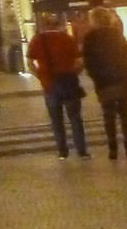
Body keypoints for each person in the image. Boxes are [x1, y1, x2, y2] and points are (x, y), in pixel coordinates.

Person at [81, 6, 127, 160]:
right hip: (122, 78)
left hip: (104, 81)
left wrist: (94, 76)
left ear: (93, 20)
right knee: (125, 114)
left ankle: (113, 149)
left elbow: (88, 61)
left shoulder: (89, 37)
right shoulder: (115, 34)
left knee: (108, 115)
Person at [27, 12, 88, 159]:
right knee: (75, 118)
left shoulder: (37, 40)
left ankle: (62, 151)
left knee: (56, 120)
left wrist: (40, 75)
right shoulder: (67, 38)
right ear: (58, 24)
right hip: (69, 82)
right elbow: (80, 60)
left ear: (43, 25)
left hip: (50, 84)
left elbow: (30, 62)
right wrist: (74, 73)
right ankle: (82, 151)